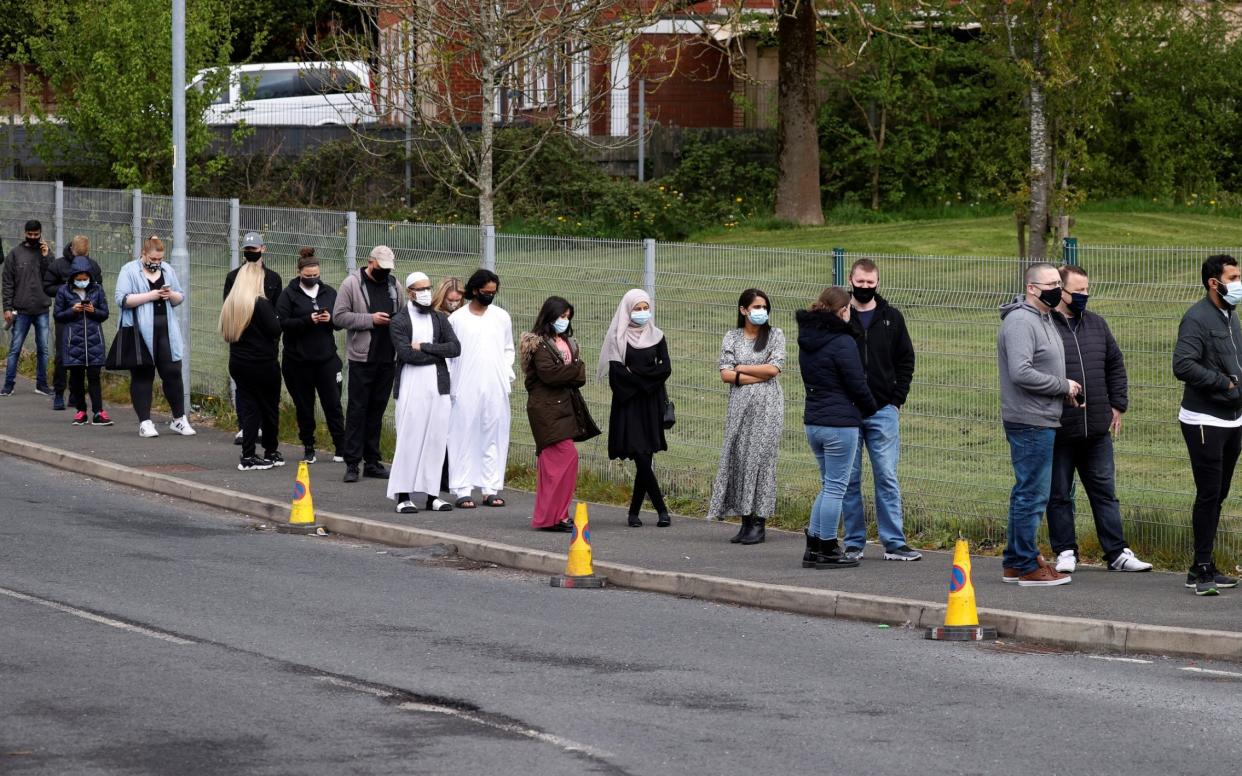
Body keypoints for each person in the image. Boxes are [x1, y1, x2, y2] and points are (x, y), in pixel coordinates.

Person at [1047, 264, 1152, 574]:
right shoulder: (1045, 327)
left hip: (1096, 430)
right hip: (1059, 428)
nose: (1084, 295)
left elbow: (1115, 364)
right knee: (1059, 493)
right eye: (1077, 290)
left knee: (1105, 492)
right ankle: (1065, 550)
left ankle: (1117, 552)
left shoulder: (1097, 325)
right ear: (1060, 291)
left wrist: (1117, 404)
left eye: (1087, 289)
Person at [997, 262, 1079, 587]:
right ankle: (1027, 566)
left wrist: (1064, 392)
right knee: (1031, 495)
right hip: (1029, 420)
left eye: (1059, 282)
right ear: (1032, 288)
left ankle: (1015, 560)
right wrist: (1062, 386)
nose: (1057, 288)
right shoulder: (1021, 322)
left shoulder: (1043, 318)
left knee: (1027, 492)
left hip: (1043, 414)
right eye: (1050, 283)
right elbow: (1021, 372)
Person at [841, 259, 921, 561]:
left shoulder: (892, 318)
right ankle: (853, 542)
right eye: (859, 282)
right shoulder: (841, 317)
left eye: (869, 283)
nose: (864, 287)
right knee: (849, 479)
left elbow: (906, 360)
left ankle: (894, 542)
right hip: (846, 413)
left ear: (877, 282)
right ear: (850, 279)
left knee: (886, 475)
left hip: (883, 410)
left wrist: (897, 399)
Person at [1172, 254, 1242, 595]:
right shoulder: (1196, 319)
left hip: (1233, 418)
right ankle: (1200, 570)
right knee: (1208, 493)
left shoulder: (1230, 316)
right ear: (1214, 283)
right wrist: (1224, 383)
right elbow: (1182, 365)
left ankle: (1206, 564)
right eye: (1233, 277)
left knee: (1220, 493)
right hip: (1203, 419)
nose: (1238, 283)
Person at [796, 287, 873, 569]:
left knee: (828, 484)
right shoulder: (843, 342)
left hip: (814, 421)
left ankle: (814, 545)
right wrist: (870, 408)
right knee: (837, 488)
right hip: (840, 424)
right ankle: (828, 546)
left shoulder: (808, 339)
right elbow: (856, 383)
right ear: (843, 311)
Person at [707, 288, 785, 545]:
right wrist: (752, 375)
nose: (761, 312)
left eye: (764, 307)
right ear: (743, 310)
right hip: (739, 408)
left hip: (768, 407)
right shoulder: (732, 337)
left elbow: (774, 369)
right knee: (740, 458)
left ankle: (759, 522)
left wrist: (742, 370)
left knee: (760, 460)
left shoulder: (775, 335)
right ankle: (745, 520)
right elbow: (725, 374)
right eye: (756, 307)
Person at [521, 296, 600, 531]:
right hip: (546, 409)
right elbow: (550, 375)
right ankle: (550, 517)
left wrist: (571, 370)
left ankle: (558, 515)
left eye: (567, 317)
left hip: (564, 407)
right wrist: (574, 368)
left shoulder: (568, 341)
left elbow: (581, 377)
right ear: (549, 316)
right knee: (562, 460)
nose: (564, 321)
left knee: (561, 464)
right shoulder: (539, 344)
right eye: (560, 316)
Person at [387, 272, 461, 513]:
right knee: (409, 439)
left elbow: (454, 348)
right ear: (410, 292)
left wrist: (426, 347)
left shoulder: (439, 318)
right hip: (411, 386)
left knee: (436, 440)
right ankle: (403, 495)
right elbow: (407, 354)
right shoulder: (399, 320)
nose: (426, 292)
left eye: (428, 287)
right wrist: (435, 353)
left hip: (438, 388)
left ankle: (432, 495)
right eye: (421, 288)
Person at [600, 288, 672, 527]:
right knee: (641, 455)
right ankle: (662, 510)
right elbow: (617, 376)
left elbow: (666, 369)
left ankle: (633, 513)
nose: (642, 313)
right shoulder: (617, 338)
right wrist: (647, 378)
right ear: (627, 310)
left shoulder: (658, 336)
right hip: (629, 404)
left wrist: (637, 374)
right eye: (637, 309)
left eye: (645, 308)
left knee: (646, 455)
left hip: (651, 403)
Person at [113, 236, 195, 438]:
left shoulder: (167, 269)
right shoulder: (129, 270)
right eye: (153, 258)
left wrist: (171, 296)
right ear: (143, 254)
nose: (157, 263)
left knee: (173, 372)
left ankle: (179, 419)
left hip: (166, 330)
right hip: (140, 332)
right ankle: (145, 422)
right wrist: (151, 295)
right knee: (143, 376)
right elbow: (122, 299)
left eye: (160, 259)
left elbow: (179, 296)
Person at [447, 269, 514, 508]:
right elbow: (450, 356)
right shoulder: (457, 319)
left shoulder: (501, 317)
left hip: (495, 385)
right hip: (464, 385)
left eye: (493, 293)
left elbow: (508, 349)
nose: (490, 296)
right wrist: (452, 385)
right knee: (462, 435)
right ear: (475, 290)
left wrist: (506, 375)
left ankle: (490, 488)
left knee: (493, 435)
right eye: (486, 292)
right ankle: (462, 488)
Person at [333, 245, 399, 483]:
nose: (384, 272)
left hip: (387, 357)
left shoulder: (394, 284)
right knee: (357, 410)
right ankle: (352, 463)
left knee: (377, 410)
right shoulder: (351, 284)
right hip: (362, 357)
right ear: (370, 262)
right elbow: (338, 317)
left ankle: (372, 461)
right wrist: (370, 320)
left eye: (388, 268)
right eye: (381, 268)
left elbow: (401, 313)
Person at [276, 247, 346, 464]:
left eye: (316, 275)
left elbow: (340, 322)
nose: (312, 279)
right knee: (304, 406)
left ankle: (341, 447)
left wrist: (330, 319)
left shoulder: (330, 292)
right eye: (308, 276)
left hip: (326, 359)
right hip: (298, 362)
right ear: (299, 273)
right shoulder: (288, 295)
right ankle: (308, 446)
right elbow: (282, 323)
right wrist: (308, 320)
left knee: (333, 404)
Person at [220, 261, 283, 471]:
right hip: (263, 363)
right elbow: (275, 330)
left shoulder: (231, 303)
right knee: (269, 408)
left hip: (238, 362)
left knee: (249, 409)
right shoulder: (260, 303)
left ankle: (247, 455)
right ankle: (271, 451)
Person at [44, 235, 104, 411]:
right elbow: (47, 285)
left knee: (83, 359)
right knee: (63, 356)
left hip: (87, 319)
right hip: (67, 317)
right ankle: (58, 393)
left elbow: (98, 288)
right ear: (72, 250)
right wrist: (67, 290)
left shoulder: (92, 266)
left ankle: (75, 395)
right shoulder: (59, 265)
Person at [52, 257, 111, 426]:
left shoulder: (97, 290)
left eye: (85, 279)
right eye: (79, 279)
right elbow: (58, 315)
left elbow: (104, 314)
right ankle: (81, 410)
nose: (82, 282)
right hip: (73, 341)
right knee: (76, 378)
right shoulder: (64, 291)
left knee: (94, 376)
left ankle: (99, 411)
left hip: (93, 340)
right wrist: (72, 310)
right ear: (72, 278)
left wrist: (93, 311)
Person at [1, 220, 52, 397]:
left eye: (35, 235)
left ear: (40, 233)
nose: (32, 237)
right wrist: (7, 307)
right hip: (20, 310)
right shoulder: (14, 254)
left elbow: (52, 276)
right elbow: (7, 282)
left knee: (43, 349)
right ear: (25, 233)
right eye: (29, 234)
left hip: (42, 308)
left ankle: (42, 384)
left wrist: (46, 256)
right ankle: (8, 385)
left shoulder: (45, 253)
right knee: (15, 348)